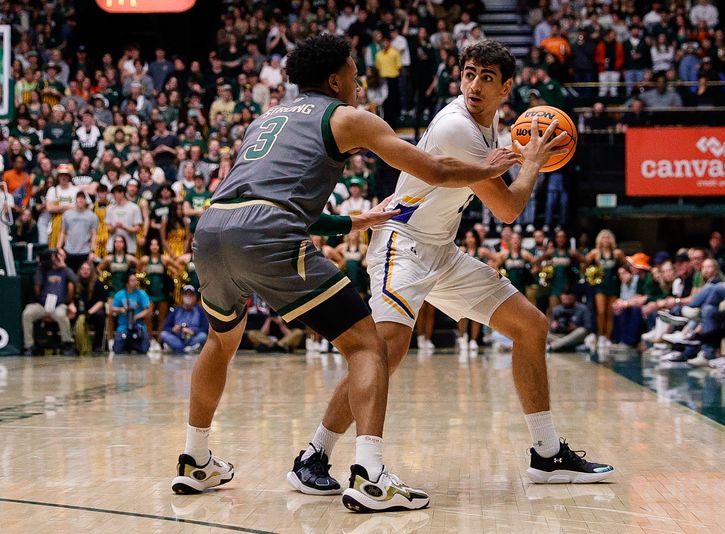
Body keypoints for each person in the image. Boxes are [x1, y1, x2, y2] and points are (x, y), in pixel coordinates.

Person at [170, 34, 520, 513]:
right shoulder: (347, 117)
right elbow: (435, 170)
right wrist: (489, 167)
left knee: (221, 340)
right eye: (355, 73)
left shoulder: (265, 119)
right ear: (336, 79)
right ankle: (371, 474)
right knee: (368, 344)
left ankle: (195, 458)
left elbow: (261, 193)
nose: (359, 82)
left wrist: (352, 222)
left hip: (211, 231)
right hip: (267, 234)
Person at [294, 40, 613, 505]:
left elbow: (496, 169)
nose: (474, 85)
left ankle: (546, 453)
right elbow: (506, 208)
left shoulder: (493, 123)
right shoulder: (455, 126)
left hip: (440, 251)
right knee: (386, 350)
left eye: (486, 77)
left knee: (530, 326)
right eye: (468, 74)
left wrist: (515, 154)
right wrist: (533, 165)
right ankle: (315, 457)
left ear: (506, 87)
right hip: (402, 244)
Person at [22, 249, 77, 356]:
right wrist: (40, 265)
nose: (56, 258)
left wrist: (63, 266)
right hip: (42, 304)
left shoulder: (65, 271)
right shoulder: (44, 269)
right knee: (27, 313)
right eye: (55, 256)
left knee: (61, 315)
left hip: (59, 305)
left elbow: (76, 280)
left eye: (60, 255)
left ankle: (67, 343)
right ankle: (29, 345)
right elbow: (37, 283)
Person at [584, 230, 625, 348]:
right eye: (603, 238)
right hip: (600, 286)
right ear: (599, 240)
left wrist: (622, 273)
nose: (606, 240)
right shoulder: (595, 253)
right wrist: (590, 276)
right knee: (601, 311)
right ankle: (601, 335)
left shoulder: (617, 253)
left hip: (613, 284)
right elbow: (584, 264)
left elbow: (626, 265)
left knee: (610, 312)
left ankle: (608, 337)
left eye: (608, 238)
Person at [160, 285, 209, 354]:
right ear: (182, 297)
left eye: (190, 295)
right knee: (163, 334)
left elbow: (205, 329)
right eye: (186, 294)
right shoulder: (176, 311)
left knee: (203, 336)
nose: (188, 297)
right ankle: (186, 348)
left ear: (195, 297)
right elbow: (165, 328)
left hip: (192, 338)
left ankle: (180, 348)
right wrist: (173, 329)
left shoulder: (200, 311)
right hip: (177, 338)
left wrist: (193, 331)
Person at [72, 261, 108, 355]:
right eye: (83, 269)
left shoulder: (98, 282)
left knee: (100, 315)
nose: (85, 271)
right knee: (69, 314)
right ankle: (73, 345)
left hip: (92, 311)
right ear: (80, 271)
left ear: (91, 271)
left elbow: (101, 301)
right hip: (77, 311)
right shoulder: (75, 283)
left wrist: (89, 313)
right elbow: (71, 299)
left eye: (88, 269)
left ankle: (97, 346)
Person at [110, 272, 151, 354]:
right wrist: (121, 310)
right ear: (127, 282)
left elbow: (147, 310)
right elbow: (112, 309)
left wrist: (135, 317)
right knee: (117, 350)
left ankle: (135, 345)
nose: (135, 282)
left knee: (144, 349)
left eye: (136, 280)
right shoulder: (120, 294)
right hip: (123, 326)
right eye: (132, 280)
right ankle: (127, 345)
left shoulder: (142, 294)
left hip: (138, 325)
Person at [58, 192, 98, 272]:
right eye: (79, 198)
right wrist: (59, 248)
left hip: (85, 252)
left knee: (83, 277)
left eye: (82, 198)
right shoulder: (67, 214)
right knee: (70, 278)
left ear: (85, 200)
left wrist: (92, 251)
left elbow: (94, 235)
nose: (80, 200)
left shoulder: (92, 216)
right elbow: (62, 232)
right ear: (75, 200)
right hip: (69, 251)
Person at [105, 184, 143, 254]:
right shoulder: (109, 208)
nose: (115, 196)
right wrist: (115, 227)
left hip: (129, 246)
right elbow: (108, 229)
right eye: (113, 194)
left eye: (117, 193)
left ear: (122, 193)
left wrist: (124, 227)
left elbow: (137, 229)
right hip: (112, 246)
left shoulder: (134, 208)